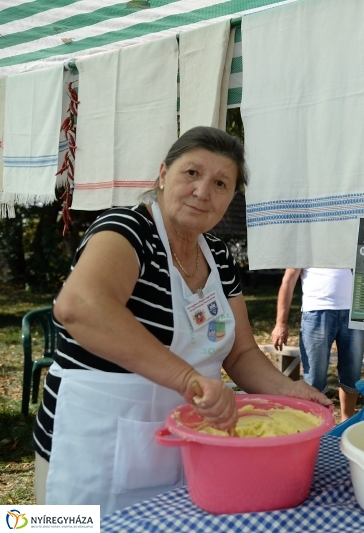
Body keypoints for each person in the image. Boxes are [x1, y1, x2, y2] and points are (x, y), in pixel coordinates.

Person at [33, 127, 330, 515]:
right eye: (192, 173)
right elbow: (82, 307)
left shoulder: (218, 256)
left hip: (184, 445)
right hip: (93, 443)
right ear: (163, 174)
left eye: (220, 183)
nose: (203, 191)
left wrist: (288, 390)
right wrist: (189, 380)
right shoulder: (127, 229)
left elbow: (240, 353)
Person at [271, 268, 363, 421]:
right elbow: (288, 280)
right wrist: (280, 323)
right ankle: (316, 424)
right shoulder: (305, 244)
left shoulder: (348, 242)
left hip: (352, 313)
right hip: (316, 312)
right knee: (314, 379)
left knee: (352, 374)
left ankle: (346, 424)